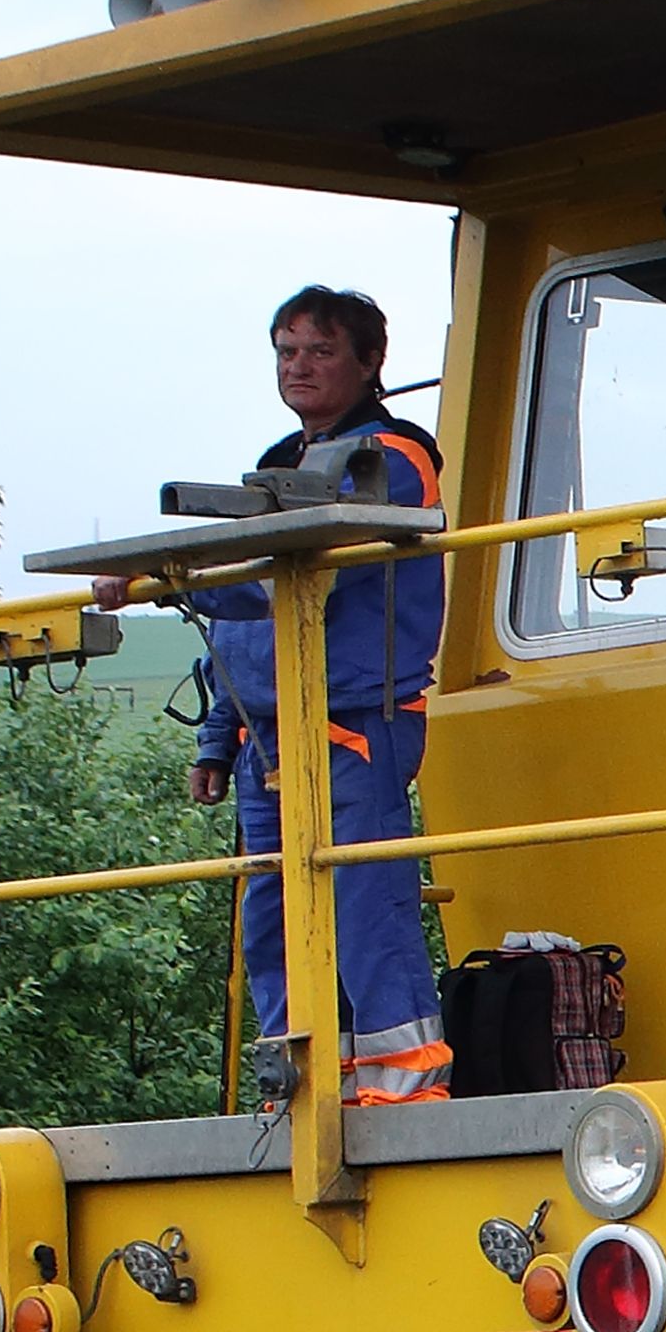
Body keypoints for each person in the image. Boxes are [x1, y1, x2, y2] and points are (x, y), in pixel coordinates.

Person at [180, 288, 453, 1102]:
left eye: (319, 351)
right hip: (271, 735)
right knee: (272, 919)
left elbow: (285, 579)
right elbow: (251, 621)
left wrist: (180, 579)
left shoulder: (392, 461)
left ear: (370, 364)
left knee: (367, 905)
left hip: (356, 719)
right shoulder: (282, 466)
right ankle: (296, 1091)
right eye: (286, 351)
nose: (298, 367)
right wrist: (216, 738)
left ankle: (405, 1091)